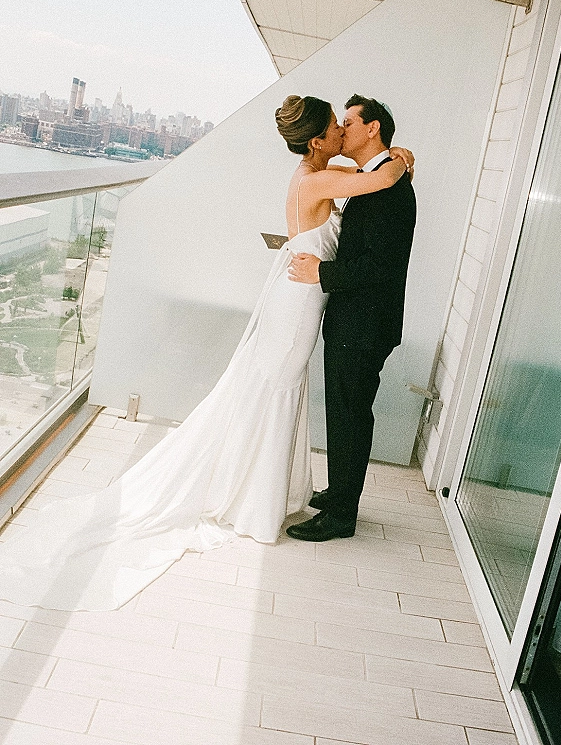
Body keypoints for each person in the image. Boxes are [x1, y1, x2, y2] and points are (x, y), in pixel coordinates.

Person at [0, 95, 412, 611]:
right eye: (336, 125)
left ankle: (266, 492)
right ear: (317, 140)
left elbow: (376, 194)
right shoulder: (319, 178)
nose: (342, 132)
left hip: (309, 298)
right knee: (276, 389)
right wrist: (398, 157)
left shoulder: (323, 173)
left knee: (277, 390)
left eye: (347, 124)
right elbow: (381, 178)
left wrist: (395, 157)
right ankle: (257, 502)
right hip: (299, 300)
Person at [286, 94, 416, 542]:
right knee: (344, 413)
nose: (342, 129)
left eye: (348, 121)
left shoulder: (390, 187)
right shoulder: (372, 178)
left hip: (364, 324)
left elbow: (380, 266)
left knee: (349, 416)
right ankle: (339, 492)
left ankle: (341, 515)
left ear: (372, 128)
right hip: (353, 319)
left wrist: (320, 271)